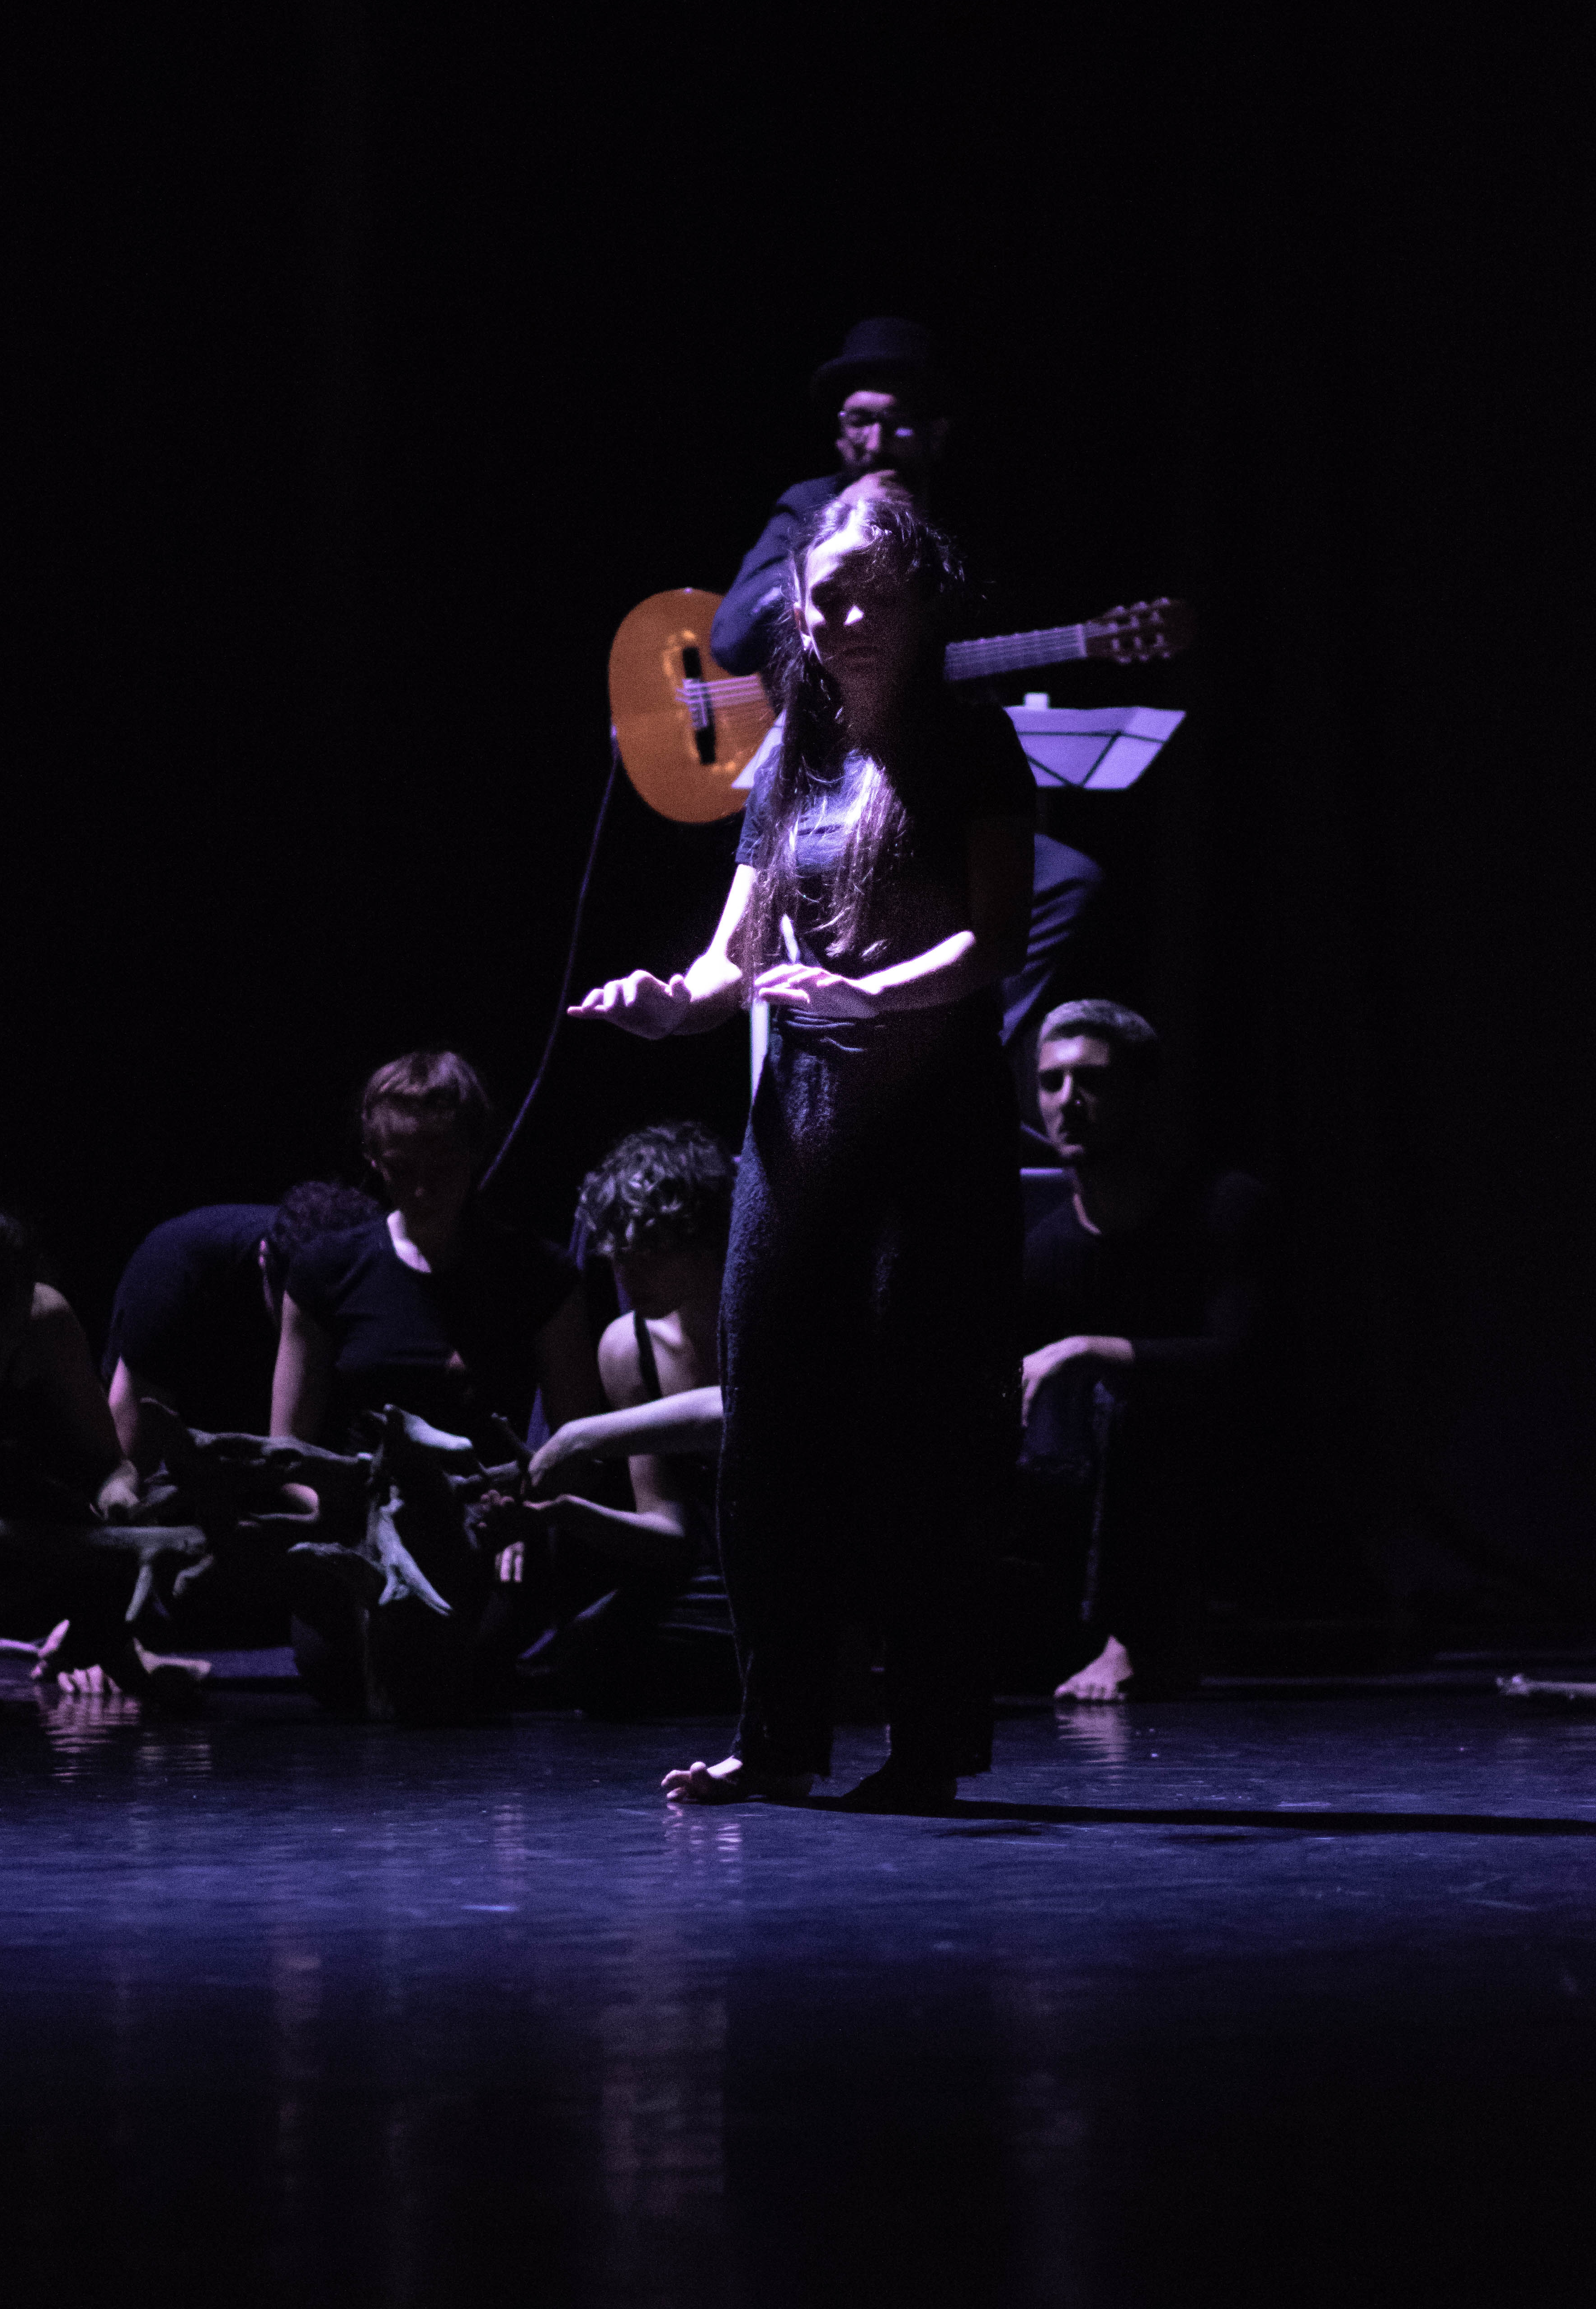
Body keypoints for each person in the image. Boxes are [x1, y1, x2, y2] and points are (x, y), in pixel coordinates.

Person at [573, 486, 1036, 1811]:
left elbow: (993, 939)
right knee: (772, 1424)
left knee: (924, 1432)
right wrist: (672, 1001)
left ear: (920, 605)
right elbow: (733, 957)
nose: (837, 617)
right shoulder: (791, 753)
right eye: (822, 595)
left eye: (867, 594)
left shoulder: (971, 740)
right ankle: (775, 1735)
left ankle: (926, 1743)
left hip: (930, 1126)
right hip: (802, 1127)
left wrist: (874, 993)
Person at [711, 314, 1104, 1051]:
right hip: (827, 761)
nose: (875, 443)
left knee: (1058, 884)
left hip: (930, 773)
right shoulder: (808, 504)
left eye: (896, 424)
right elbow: (731, 640)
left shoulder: (958, 529)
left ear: (935, 434)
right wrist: (839, 520)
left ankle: (964, 1034)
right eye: (857, 422)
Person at [1016, 1001, 1270, 1701]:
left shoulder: (1224, 1207)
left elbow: (1242, 1363)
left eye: (1093, 1081)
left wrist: (1087, 1349)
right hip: (1089, 1487)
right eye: (1051, 1082)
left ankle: (1138, 1639)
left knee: (1131, 1401)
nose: (1068, 1102)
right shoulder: (1045, 1250)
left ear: (1144, 1094)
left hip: (1238, 1472)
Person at [490, 1122, 733, 1707]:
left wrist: (584, 1436)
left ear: (703, 1241)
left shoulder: (766, 1312)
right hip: (716, 1581)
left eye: (648, 1252)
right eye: (618, 1255)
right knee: (586, 1653)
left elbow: (740, 1410)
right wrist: (564, 1513)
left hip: (810, 1561)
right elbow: (671, 1537)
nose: (627, 1274)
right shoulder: (629, 1347)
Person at [273, 1050, 598, 1456]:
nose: (423, 1191)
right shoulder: (325, 1270)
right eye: (402, 1169)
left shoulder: (541, 1275)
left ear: (475, 1153)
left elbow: (578, 1456)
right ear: (372, 1156)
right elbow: (286, 1453)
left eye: (443, 1168)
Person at [0, 1205, 142, 1717]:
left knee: (115, 1549)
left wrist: (118, 1497)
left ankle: (93, 1653)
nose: (2, 1358)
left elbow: (110, 1465)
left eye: (14, 1333)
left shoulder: (44, 1321)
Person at [104, 1181, 377, 1468]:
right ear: (264, 1261)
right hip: (189, 1387)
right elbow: (129, 1451)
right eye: (311, 1312)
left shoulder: (362, 1261)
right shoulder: (171, 1280)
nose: (324, 1329)